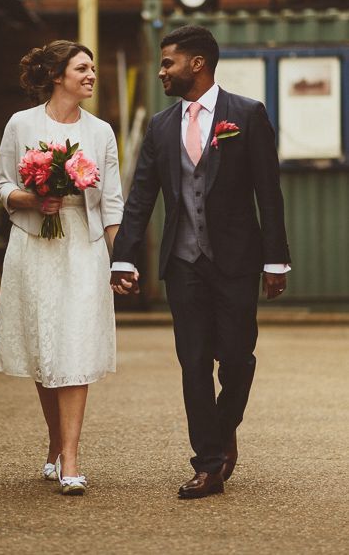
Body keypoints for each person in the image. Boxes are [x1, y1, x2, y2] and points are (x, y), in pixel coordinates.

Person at [111, 25, 291, 499]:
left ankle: (224, 424)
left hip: (235, 260)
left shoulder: (247, 115)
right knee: (193, 363)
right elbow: (141, 198)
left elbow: (269, 194)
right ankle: (208, 464)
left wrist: (276, 261)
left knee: (236, 358)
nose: (161, 71)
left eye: (167, 62)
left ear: (197, 64)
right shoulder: (160, 126)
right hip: (183, 262)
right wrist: (123, 259)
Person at [0, 40, 124, 496]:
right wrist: (31, 198)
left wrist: (118, 260)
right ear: (57, 75)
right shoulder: (20, 124)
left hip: (82, 249)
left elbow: (111, 203)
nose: (91, 75)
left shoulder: (101, 131)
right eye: (82, 68)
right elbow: (3, 184)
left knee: (75, 348)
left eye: (93, 68)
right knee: (46, 352)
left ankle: (71, 458)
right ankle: (54, 443)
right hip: (33, 246)